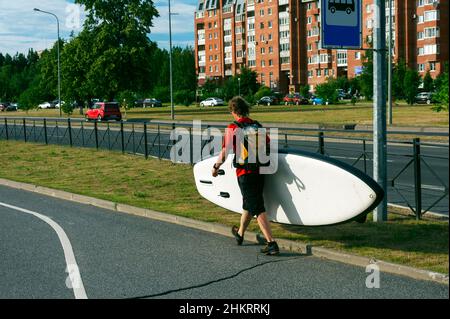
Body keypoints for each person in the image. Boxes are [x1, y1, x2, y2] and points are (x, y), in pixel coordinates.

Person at [211, 96, 279, 255]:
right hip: (260, 171)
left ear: (234, 111)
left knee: (256, 206)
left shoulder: (233, 127)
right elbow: (268, 144)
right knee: (249, 203)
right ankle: (240, 234)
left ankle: (271, 243)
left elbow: (225, 151)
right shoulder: (256, 125)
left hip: (245, 173)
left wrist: (216, 167)